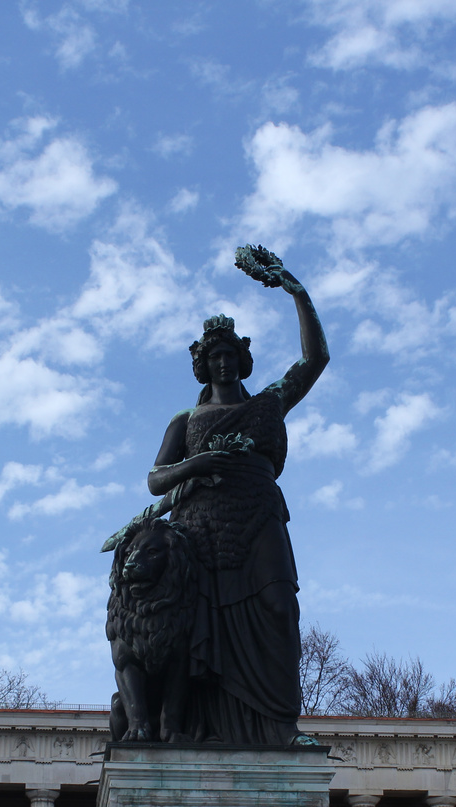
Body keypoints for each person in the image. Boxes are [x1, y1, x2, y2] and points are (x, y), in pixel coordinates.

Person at [144, 248, 330, 745]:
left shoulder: (270, 401)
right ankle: (196, 726)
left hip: (259, 517)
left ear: (243, 359)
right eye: (214, 357)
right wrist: (199, 463)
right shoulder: (186, 421)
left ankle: (282, 728)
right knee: (202, 628)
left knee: (278, 606)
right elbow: (156, 479)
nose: (223, 363)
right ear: (203, 366)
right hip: (200, 528)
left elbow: (316, 359)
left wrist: (295, 290)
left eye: (230, 355)